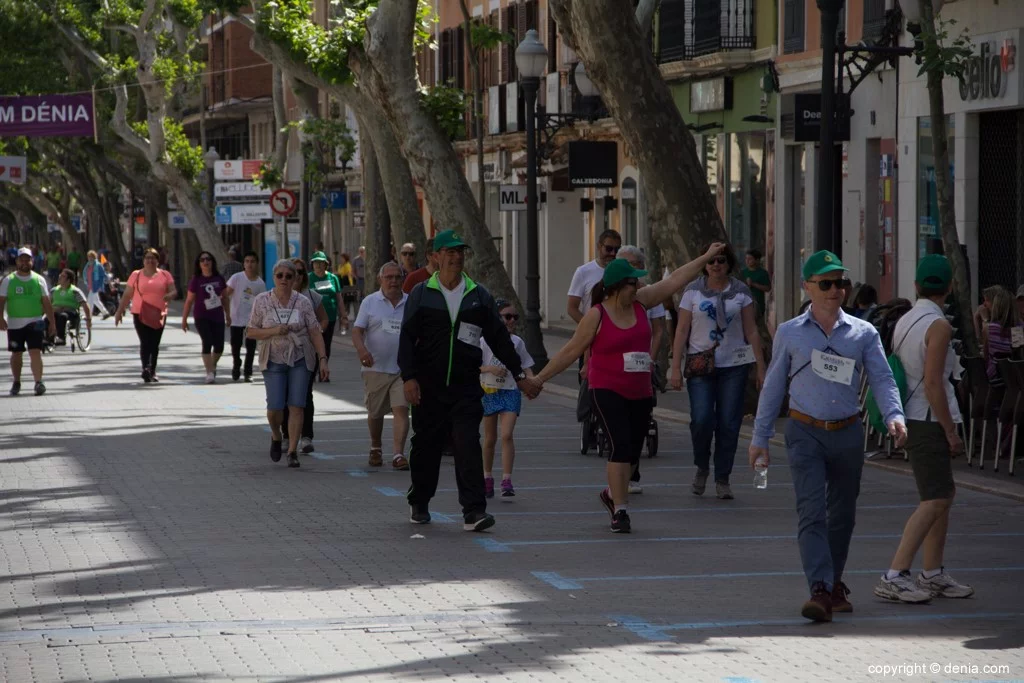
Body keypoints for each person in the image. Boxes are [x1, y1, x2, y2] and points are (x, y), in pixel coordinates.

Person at [749, 250, 907, 623]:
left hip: (848, 432)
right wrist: (760, 438)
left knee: (843, 514)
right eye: (826, 283)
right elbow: (773, 388)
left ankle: (834, 582)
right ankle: (819, 588)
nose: (835, 290)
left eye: (840, 283)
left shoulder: (863, 332)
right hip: (804, 432)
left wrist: (894, 415)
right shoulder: (790, 332)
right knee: (811, 511)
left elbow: (882, 378)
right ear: (808, 287)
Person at [531, 246, 724, 533]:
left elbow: (674, 281)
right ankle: (620, 510)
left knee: (633, 452)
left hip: (640, 391)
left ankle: (611, 493)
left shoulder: (642, 303)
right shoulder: (596, 315)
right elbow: (570, 351)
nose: (639, 285)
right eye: (634, 282)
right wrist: (539, 379)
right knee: (619, 446)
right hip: (606, 389)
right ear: (618, 286)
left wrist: (706, 257)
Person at [399, 229, 537, 531]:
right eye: (450, 251)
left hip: (465, 387)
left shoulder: (478, 295)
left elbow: (500, 340)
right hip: (429, 386)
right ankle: (419, 502)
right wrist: (409, 378)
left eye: (460, 251)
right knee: (426, 445)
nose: (456, 256)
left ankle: (473, 511)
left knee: (467, 445)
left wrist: (520, 375)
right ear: (435, 256)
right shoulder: (422, 293)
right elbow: (407, 339)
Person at [875, 255, 973, 605]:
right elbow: (934, 383)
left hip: (912, 415)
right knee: (935, 500)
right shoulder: (939, 326)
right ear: (949, 287)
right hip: (928, 420)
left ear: (916, 285)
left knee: (940, 497)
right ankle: (895, 574)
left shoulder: (905, 320)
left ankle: (932, 573)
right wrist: (950, 431)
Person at [669, 244, 766, 500]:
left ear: (729, 264)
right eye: (711, 261)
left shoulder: (741, 292)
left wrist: (761, 368)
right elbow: (681, 331)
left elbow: (752, 331)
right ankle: (702, 466)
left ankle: (723, 477)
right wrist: (674, 367)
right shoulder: (692, 292)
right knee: (701, 420)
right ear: (704, 264)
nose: (716, 265)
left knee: (729, 423)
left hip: (733, 366)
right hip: (700, 364)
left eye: (721, 260)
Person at [246, 259, 330, 468]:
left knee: (297, 405)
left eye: (289, 276)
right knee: (275, 407)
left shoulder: (302, 302)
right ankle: (276, 435)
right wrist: (274, 331)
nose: (284, 279)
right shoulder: (262, 300)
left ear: (295, 279)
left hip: (300, 357)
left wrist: (323, 359)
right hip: (273, 358)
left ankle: (292, 451)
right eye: (279, 275)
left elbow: (314, 330)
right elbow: (251, 331)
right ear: (273, 277)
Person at [616, 245, 667, 495]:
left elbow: (658, 330)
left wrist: (651, 359)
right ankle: (619, 480)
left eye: (633, 265)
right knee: (619, 430)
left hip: (640, 366)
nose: (630, 270)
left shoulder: (647, 294)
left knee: (638, 426)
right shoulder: (604, 297)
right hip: (613, 372)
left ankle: (631, 473)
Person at [353, 261, 410, 470]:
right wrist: (362, 351)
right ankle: (376, 447)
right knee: (375, 413)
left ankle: (398, 454)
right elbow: (357, 331)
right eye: (389, 277)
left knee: (401, 409)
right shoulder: (370, 302)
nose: (393, 281)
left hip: (402, 369)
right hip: (375, 367)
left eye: (397, 277)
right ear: (380, 279)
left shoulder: (410, 302)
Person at [480, 298, 536, 498]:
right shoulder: (483, 340)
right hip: (489, 391)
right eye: (507, 317)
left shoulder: (517, 342)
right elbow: (474, 365)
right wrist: (490, 368)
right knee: (490, 438)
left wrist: (532, 382)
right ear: (497, 317)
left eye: (515, 317)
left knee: (506, 435)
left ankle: (506, 479)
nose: (512, 321)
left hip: (511, 390)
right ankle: (487, 477)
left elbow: (526, 365)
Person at [283, 258, 330, 453]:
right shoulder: (277, 297)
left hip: (307, 352)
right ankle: (285, 435)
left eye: (300, 272)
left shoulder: (312, 297)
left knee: (305, 395)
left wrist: (316, 333)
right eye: (292, 272)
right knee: (285, 395)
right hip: (283, 353)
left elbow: (324, 319)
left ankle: (306, 436)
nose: (296, 276)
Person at [0, 247, 57, 396]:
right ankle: (16, 381)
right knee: (16, 354)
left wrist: (52, 322)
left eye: (28, 259)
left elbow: (46, 302)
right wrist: (0, 318)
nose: (25, 262)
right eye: (22, 260)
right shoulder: (8, 280)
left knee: (35, 352)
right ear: (17, 261)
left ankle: (38, 382)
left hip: (35, 321)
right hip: (14, 323)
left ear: (32, 261)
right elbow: (1, 301)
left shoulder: (39, 280)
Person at [115, 248, 176, 382]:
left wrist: (169, 295)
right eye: (147, 258)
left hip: (159, 313)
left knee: (154, 343)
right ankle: (146, 368)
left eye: (153, 258)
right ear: (143, 261)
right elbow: (127, 294)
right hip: (139, 312)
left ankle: (152, 370)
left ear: (157, 261)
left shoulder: (165, 275)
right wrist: (119, 311)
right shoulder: (136, 275)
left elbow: (174, 291)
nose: (150, 260)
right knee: (145, 341)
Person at [182, 251, 230, 384]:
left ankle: (212, 365)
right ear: (199, 264)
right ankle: (209, 372)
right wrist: (184, 319)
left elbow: (225, 298)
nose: (205, 262)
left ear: (212, 262)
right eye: (202, 260)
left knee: (219, 346)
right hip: (201, 316)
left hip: (218, 316)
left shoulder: (219, 278)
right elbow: (189, 300)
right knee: (207, 342)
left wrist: (228, 315)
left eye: (208, 259)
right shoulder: (196, 280)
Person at [224, 251, 266, 382]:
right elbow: (226, 294)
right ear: (243, 264)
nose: (249, 264)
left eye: (252, 261)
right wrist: (226, 313)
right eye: (247, 261)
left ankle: (248, 372)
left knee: (251, 347)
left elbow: (262, 303)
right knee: (235, 346)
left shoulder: (260, 283)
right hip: (236, 317)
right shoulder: (237, 277)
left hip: (252, 320)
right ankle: (236, 364)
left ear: (257, 264)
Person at [567, 229, 622, 325]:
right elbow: (572, 308)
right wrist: (591, 327)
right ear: (599, 247)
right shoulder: (583, 272)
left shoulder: (623, 271)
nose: (613, 253)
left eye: (617, 249)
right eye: (609, 249)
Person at [983, 286, 1021, 385]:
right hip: (1015, 380)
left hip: (994, 378)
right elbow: (1019, 356)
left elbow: (986, 356)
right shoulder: (1018, 329)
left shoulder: (989, 329)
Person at [49, 268, 91, 344]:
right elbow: (47, 304)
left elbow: (85, 305)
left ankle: (61, 338)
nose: (60, 277)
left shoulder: (75, 291)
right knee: (49, 317)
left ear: (68, 280)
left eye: (63, 276)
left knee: (62, 316)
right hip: (55, 312)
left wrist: (88, 320)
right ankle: (48, 338)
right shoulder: (54, 290)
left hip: (70, 313)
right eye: (60, 275)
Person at [740, 248, 772, 319]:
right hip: (743, 305)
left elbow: (768, 288)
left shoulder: (763, 273)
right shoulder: (742, 272)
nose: (747, 261)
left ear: (757, 260)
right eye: (746, 258)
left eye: (750, 259)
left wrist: (753, 284)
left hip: (758, 305)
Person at [328, 252, 353, 336]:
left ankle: (344, 325)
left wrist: (338, 274)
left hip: (347, 286)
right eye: (340, 258)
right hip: (340, 286)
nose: (340, 260)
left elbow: (348, 274)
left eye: (342, 258)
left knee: (345, 306)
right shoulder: (340, 266)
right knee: (341, 307)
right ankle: (341, 325)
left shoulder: (347, 265)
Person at [82, 250, 109, 318]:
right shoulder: (87, 265)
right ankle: (105, 313)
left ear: (94, 257)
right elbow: (85, 274)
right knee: (96, 300)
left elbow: (103, 274)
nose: (90, 258)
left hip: (96, 285)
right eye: (89, 257)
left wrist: (107, 282)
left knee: (89, 301)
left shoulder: (98, 265)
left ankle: (88, 315)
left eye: (91, 257)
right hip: (90, 285)